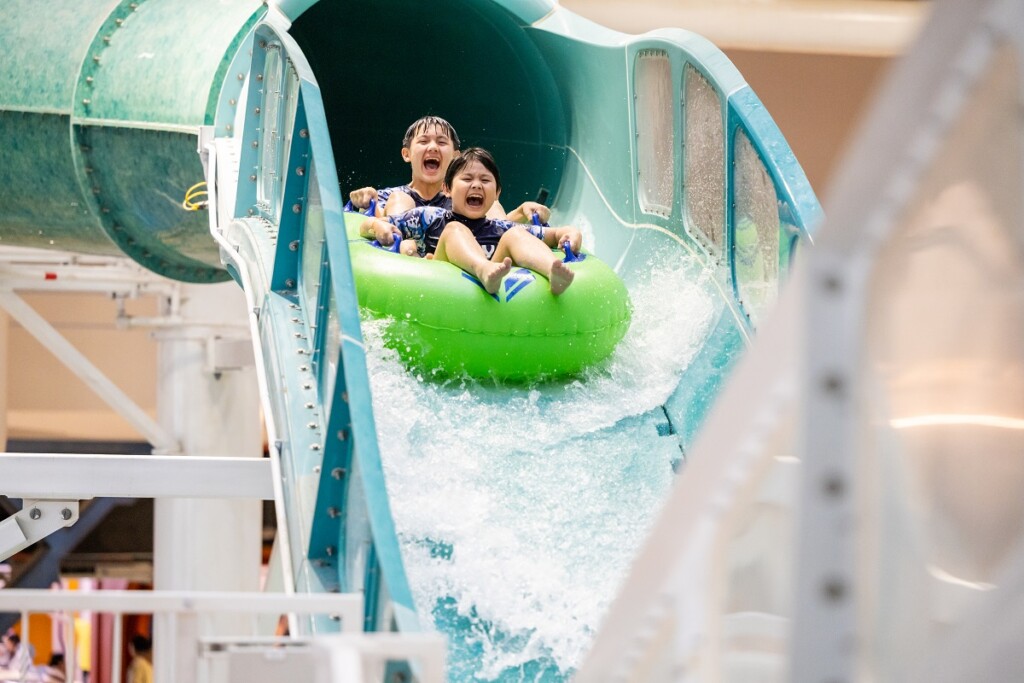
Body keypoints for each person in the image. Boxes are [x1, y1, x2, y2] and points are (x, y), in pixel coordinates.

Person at [361, 147, 581, 295]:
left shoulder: (500, 227)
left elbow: (553, 235)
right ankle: (483, 269)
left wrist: (569, 234)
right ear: (446, 189)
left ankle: (552, 272)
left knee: (516, 235)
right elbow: (367, 225)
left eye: (485, 181)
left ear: (497, 193)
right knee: (455, 229)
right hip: (442, 289)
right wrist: (377, 225)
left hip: (493, 279)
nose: (476, 185)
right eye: (467, 179)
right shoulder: (428, 217)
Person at [348, 116, 550, 256]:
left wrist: (522, 212)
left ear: (456, 156)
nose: (433, 147)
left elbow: (495, 225)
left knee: (495, 205)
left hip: (469, 253)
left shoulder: (462, 198)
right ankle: (405, 252)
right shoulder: (390, 196)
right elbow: (376, 219)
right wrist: (364, 201)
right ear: (406, 154)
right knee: (401, 202)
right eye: (424, 141)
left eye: (442, 142)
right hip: (414, 254)